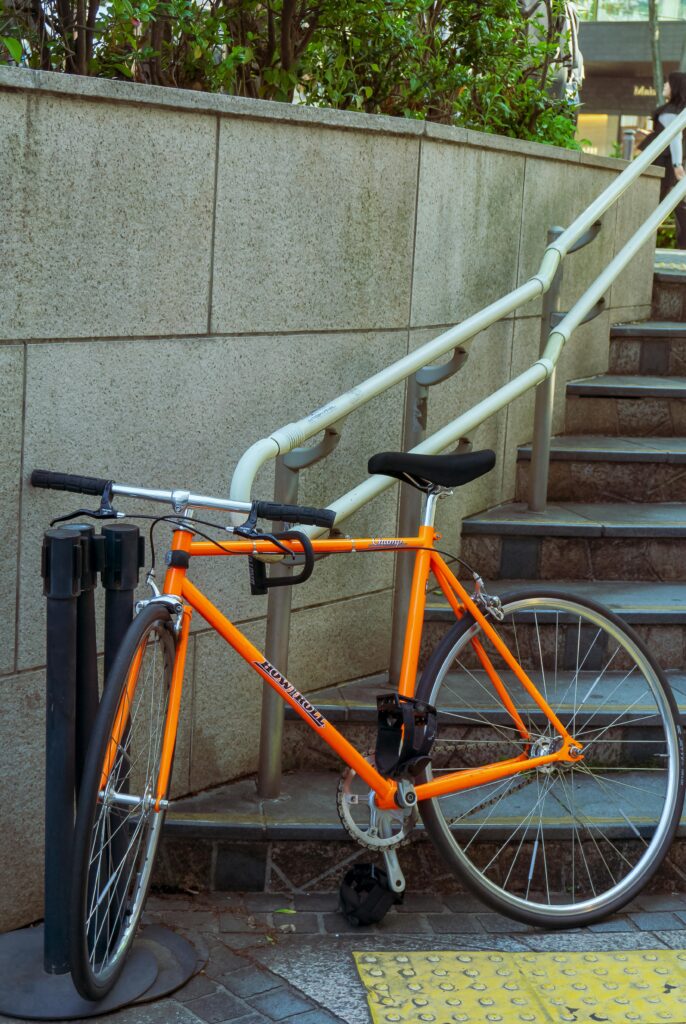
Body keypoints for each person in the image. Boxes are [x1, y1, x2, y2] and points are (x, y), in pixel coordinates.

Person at [647, 72, 686, 249]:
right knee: (677, 203)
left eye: (668, 83)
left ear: (676, 87)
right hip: (668, 163)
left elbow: (675, 137)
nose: (664, 85)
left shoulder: (670, 112)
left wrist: (677, 165)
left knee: (653, 204)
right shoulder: (678, 111)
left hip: (665, 164)